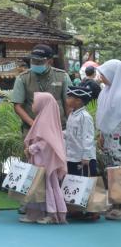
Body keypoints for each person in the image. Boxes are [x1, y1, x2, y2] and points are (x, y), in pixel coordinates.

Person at [20, 92, 67, 224]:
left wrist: (31, 148)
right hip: (39, 160)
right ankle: (35, 213)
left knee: (46, 186)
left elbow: (47, 142)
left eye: (35, 102)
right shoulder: (43, 118)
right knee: (38, 186)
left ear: (43, 104)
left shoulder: (45, 120)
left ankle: (51, 214)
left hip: (44, 162)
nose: (33, 104)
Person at [12, 44, 72, 137]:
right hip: (32, 129)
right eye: (33, 60)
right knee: (32, 151)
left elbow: (68, 103)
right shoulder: (23, 78)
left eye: (39, 61)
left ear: (50, 61)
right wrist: (33, 124)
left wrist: (70, 125)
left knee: (58, 151)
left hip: (59, 128)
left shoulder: (62, 76)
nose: (35, 63)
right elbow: (17, 106)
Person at [65, 86, 99, 221]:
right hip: (72, 155)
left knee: (87, 183)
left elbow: (88, 137)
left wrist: (86, 156)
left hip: (83, 157)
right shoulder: (73, 114)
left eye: (70, 97)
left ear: (78, 101)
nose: (67, 99)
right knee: (75, 182)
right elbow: (71, 134)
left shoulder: (85, 117)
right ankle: (77, 209)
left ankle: (92, 211)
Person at [95, 59, 121, 220]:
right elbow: (103, 116)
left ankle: (119, 205)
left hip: (118, 140)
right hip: (109, 138)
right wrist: (101, 134)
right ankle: (114, 201)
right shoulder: (105, 92)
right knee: (111, 170)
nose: (101, 77)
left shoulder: (119, 95)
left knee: (118, 170)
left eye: (103, 74)